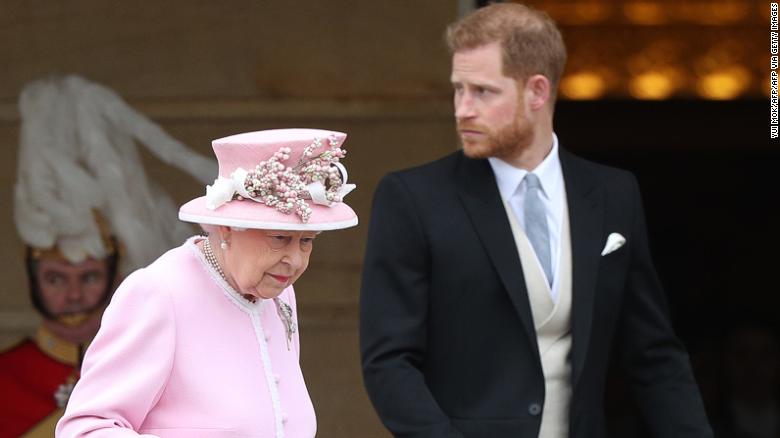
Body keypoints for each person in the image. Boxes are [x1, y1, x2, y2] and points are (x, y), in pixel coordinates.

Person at [359, 3, 712, 437]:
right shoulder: (413, 198)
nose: (462, 109)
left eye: (483, 91)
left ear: (538, 92)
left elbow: (654, 356)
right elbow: (389, 363)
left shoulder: (613, 194)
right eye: (458, 89)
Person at [56, 128, 358, 437]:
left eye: (307, 241)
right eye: (279, 238)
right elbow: (85, 430)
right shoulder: (159, 293)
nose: (294, 260)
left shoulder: (279, 292)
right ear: (227, 227)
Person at [0, 75, 215, 437]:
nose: (73, 295)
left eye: (88, 277)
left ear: (117, 276)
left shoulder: (157, 367)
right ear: (32, 279)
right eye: (55, 278)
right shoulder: (7, 376)